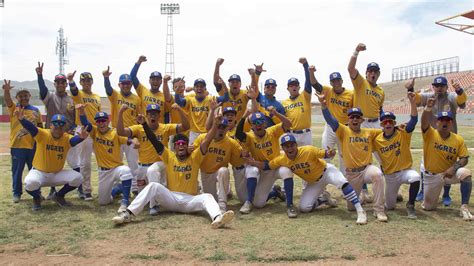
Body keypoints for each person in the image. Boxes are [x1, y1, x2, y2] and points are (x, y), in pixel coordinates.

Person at [112, 112, 235, 229]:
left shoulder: (195, 157)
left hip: (190, 200)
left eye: (183, 143)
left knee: (207, 197)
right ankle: (128, 214)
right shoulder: (169, 156)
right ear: (174, 147)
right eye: (178, 143)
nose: (181, 145)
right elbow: (154, 140)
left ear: (188, 146)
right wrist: (144, 124)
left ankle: (218, 218)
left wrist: (214, 125)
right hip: (171, 199)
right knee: (154, 186)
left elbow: (207, 141)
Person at [247, 134, 367, 224]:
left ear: (296, 145)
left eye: (292, 145)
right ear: (283, 148)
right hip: (314, 183)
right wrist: (254, 162)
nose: (290, 148)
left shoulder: (308, 150)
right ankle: (323, 199)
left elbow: (325, 153)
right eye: (286, 146)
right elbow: (267, 165)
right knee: (304, 208)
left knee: (342, 182)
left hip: (326, 172)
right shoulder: (282, 159)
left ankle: (360, 210)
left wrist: (330, 153)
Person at [319, 94, 388, 222]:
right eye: (352, 117)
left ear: (362, 120)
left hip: (366, 169)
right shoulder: (343, 131)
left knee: (377, 174)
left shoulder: (369, 132)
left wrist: (399, 128)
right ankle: (360, 197)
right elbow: (330, 120)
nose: (355, 119)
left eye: (357, 117)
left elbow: (387, 132)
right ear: (348, 119)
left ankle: (379, 210)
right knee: (351, 208)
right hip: (351, 174)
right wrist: (324, 106)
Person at [116, 103, 189, 214]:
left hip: (159, 165)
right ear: (146, 115)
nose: (153, 116)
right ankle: (124, 191)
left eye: (155, 114)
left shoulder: (165, 127)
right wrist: (120, 112)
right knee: (143, 196)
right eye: (150, 114)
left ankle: (154, 206)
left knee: (152, 171)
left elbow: (186, 126)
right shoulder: (139, 129)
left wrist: (179, 109)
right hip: (142, 167)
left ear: (159, 116)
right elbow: (120, 132)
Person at [407, 77, 468, 206]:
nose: (439, 88)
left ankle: (446, 194)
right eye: (436, 85)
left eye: (442, 86)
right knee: (425, 165)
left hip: (449, 137)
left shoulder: (451, 96)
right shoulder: (429, 96)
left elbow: (462, 102)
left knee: (448, 165)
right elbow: (416, 98)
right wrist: (410, 88)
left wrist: (459, 91)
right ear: (433, 87)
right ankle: (423, 190)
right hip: (432, 137)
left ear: (446, 87)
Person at [18, 111, 88, 211]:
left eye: (61, 126)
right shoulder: (42, 134)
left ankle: (59, 196)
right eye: (55, 125)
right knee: (30, 182)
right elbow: (31, 128)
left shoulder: (66, 138)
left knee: (78, 178)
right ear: (50, 125)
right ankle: (37, 198)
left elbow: (74, 140)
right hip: (39, 172)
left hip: (56, 174)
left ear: (64, 128)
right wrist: (22, 120)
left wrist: (81, 138)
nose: (58, 128)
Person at [420, 98, 472, 221]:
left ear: (451, 123)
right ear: (437, 122)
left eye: (448, 120)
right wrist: (427, 108)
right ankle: (431, 199)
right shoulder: (430, 134)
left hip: (449, 174)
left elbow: (464, 158)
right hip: (432, 176)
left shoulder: (458, 139)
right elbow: (423, 122)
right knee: (428, 208)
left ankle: (464, 207)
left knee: (466, 173)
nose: (444, 122)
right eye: (441, 120)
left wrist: (454, 168)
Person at [236, 111, 294, 217]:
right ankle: (272, 193)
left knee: (287, 171)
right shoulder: (250, 136)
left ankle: (290, 206)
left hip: (275, 166)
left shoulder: (272, 131)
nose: (258, 124)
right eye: (255, 122)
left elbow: (289, 124)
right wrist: (244, 117)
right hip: (262, 169)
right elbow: (238, 134)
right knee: (258, 204)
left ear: (265, 123)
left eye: (261, 122)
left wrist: (276, 113)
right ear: (252, 125)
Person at [78, 105, 135, 212]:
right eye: (98, 121)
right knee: (103, 202)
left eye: (103, 120)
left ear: (108, 121)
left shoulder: (115, 133)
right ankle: (118, 189)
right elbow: (85, 123)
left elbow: (128, 140)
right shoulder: (95, 132)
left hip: (117, 168)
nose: (101, 123)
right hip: (103, 172)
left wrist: (133, 142)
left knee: (126, 171)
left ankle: (125, 200)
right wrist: (81, 111)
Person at [347, 43, 386, 203]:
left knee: (383, 155)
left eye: (375, 72)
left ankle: (387, 189)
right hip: (361, 124)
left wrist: (384, 123)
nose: (372, 74)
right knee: (362, 157)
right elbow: (350, 69)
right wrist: (356, 51)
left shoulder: (381, 91)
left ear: (378, 74)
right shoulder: (361, 83)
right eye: (370, 71)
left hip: (376, 124)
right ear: (366, 73)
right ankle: (363, 191)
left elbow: (380, 109)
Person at [372, 92, 420, 219]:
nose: (388, 124)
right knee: (390, 206)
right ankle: (395, 195)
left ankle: (410, 205)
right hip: (390, 176)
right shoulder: (377, 140)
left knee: (415, 177)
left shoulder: (402, 133)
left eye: (390, 122)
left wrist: (412, 102)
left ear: (394, 123)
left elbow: (414, 120)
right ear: (381, 125)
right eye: (385, 122)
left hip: (405, 171)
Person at [36, 62, 78, 200]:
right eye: (58, 82)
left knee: (75, 163)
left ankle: (80, 189)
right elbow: (42, 91)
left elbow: (74, 117)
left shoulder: (71, 99)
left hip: (67, 136)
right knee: (51, 163)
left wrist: (73, 128)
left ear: (66, 84)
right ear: (54, 84)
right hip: (52, 135)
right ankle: (52, 189)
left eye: (62, 82)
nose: (60, 84)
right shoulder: (50, 97)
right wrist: (40, 75)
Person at [195, 101, 247, 211]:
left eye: (224, 127)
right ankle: (225, 192)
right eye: (219, 126)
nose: (221, 129)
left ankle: (223, 205)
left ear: (228, 128)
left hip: (220, 174)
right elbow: (192, 153)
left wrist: (245, 154)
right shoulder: (203, 138)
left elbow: (241, 154)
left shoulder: (231, 142)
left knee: (223, 170)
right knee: (211, 199)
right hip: (207, 174)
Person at [103, 66, 142, 195]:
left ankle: (135, 188)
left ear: (131, 84)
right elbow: (108, 89)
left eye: (128, 83)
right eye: (123, 83)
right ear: (119, 84)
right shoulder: (115, 95)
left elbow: (138, 118)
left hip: (130, 133)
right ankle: (115, 187)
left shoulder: (136, 99)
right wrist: (106, 78)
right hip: (115, 132)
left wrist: (136, 135)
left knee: (133, 162)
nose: (126, 86)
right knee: (115, 161)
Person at [3, 80, 42, 203]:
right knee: (17, 171)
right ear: (17, 98)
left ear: (29, 96)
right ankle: (16, 193)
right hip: (17, 146)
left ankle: (37, 193)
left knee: (35, 171)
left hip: (33, 146)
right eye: (20, 96)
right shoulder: (14, 108)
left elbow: (40, 127)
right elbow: (8, 100)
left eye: (26, 95)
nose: (23, 98)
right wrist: (6, 91)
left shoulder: (36, 110)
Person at [67, 71, 101, 200]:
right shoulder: (78, 95)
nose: (86, 82)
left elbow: (99, 114)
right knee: (85, 162)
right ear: (81, 82)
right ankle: (85, 189)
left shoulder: (97, 96)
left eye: (89, 80)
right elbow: (74, 91)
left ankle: (108, 187)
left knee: (102, 159)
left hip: (96, 129)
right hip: (83, 129)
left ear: (92, 82)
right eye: (84, 81)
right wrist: (71, 81)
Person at [310, 69, 353, 173]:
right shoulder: (328, 91)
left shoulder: (351, 94)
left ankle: (344, 184)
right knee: (326, 154)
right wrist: (311, 72)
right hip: (330, 127)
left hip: (344, 128)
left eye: (338, 80)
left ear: (342, 81)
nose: (336, 83)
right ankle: (322, 185)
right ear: (331, 83)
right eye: (334, 81)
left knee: (344, 157)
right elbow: (314, 84)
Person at [174, 78, 229, 144]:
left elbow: (226, 98)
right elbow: (178, 101)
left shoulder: (211, 99)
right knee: (192, 153)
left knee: (207, 153)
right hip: (194, 133)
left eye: (201, 86)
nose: (199, 88)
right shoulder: (190, 100)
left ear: (205, 88)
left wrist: (224, 85)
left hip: (208, 131)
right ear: (194, 88)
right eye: (197, 86)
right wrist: (177, 89)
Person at [130, 55, 172, 123]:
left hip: (159, 130)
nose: (155, 81)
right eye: (153, 79)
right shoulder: (142, 90)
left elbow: (166, 115)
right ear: (149, 81)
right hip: (144, 128)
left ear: (161, 82)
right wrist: (139, 62)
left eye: (158, 79)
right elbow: (132, 76)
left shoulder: (164, 96)